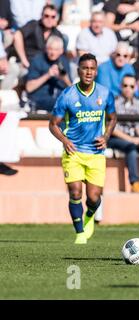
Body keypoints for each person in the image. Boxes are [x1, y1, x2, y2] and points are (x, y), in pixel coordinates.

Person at [49, 53, 117, 244]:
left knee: (94, 198)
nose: (88, 72)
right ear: (78, 70)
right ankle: (79, 232)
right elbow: (53, 124)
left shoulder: (104, 93)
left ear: (96, 71)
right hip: (74, 152)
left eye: (92, 68)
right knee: (75, 192)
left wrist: (106, 136)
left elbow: (113, 117)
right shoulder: (68, 95)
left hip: (96, 154)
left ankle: (89, 216)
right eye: (85, 68)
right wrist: (64, 140)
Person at [25, 35, 72, 113]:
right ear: (46, 49)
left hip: (59, 98)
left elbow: (71, 89)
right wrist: (48, 75)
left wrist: (64, 78)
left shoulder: (64, 61)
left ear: (61, 50)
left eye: (56, 50)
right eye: (50, 49)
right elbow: (29, 88)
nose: (52, 53)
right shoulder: (37, 60)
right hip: (40, 99)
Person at [13, 4, 65, 70]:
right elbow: (17, 35)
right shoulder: (33, 25)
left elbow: (61, 54)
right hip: (27, 64)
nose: (49, 19)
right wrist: (24, 60)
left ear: (56, 19)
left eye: (53, 17)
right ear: (41, 16)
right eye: (46, 16)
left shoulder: (57, 34)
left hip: (45, 68)